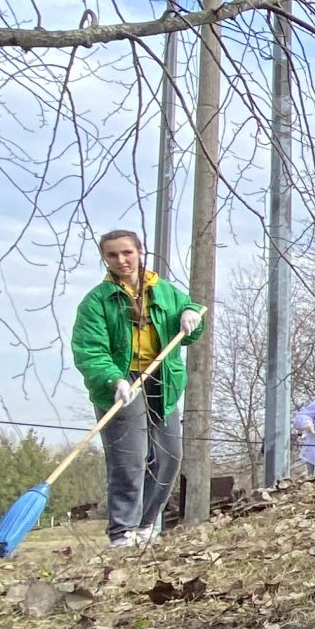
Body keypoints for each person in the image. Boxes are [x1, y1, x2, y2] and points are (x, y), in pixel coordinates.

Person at [69, 229, 206, 546]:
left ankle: (145, 526)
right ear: (104, 258)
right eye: (112, 255)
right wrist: (112, 378)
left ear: (139, 251)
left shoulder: (165, 291)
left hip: (162, 378)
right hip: (121, 380)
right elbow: (89, 350)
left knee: (169, 455)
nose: (121, 260)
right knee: (129, 458)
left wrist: (190, 315)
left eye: (127, 253)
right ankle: (122, 531)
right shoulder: (96, 302)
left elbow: (190, 316)